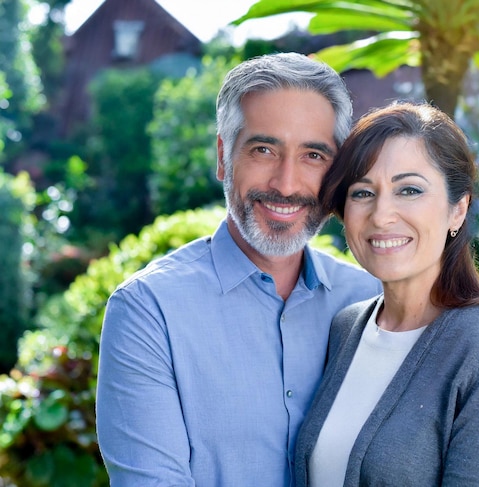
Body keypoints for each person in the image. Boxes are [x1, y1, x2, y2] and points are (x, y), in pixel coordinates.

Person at [95, 52, 381, 487]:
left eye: (313, 155)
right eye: (264, 150)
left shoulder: (373, 301)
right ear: (223, 156)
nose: (286, 184)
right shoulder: (148, 312)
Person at [294, 101, 479, 487]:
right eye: (362, 193)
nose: (382, 215)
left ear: (457, 210)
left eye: (409, 190)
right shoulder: (346, 328)